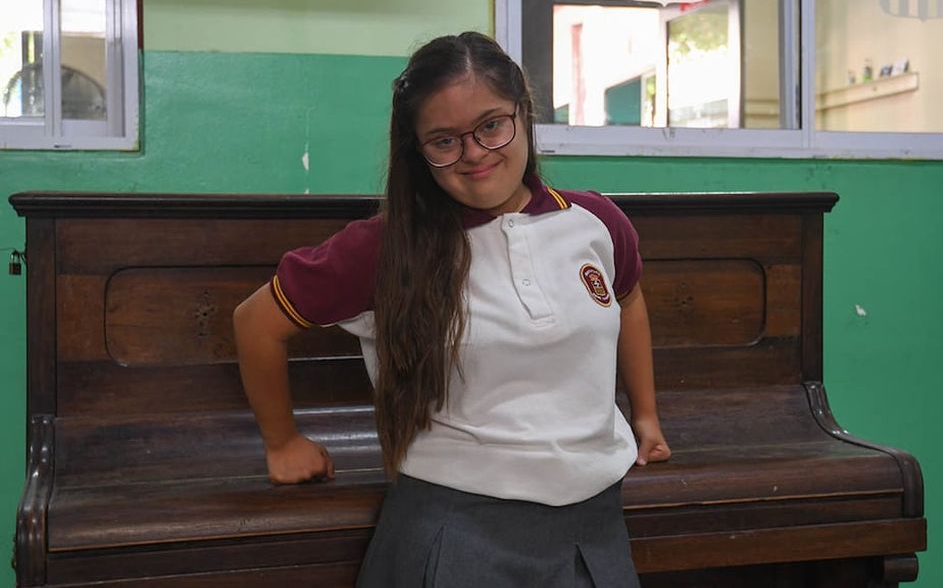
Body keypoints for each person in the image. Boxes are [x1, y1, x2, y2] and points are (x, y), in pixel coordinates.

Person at [233, 31, 671, 587]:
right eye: (444, 141)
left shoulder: (596, 222)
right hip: (455, 531)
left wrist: (646, 414)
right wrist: (282, 442)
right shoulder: (384, 248)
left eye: (492, 125)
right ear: (417, 151)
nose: (475, 155)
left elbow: (628, 300)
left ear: (524, 113)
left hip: (595, 525)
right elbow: (255, 324)